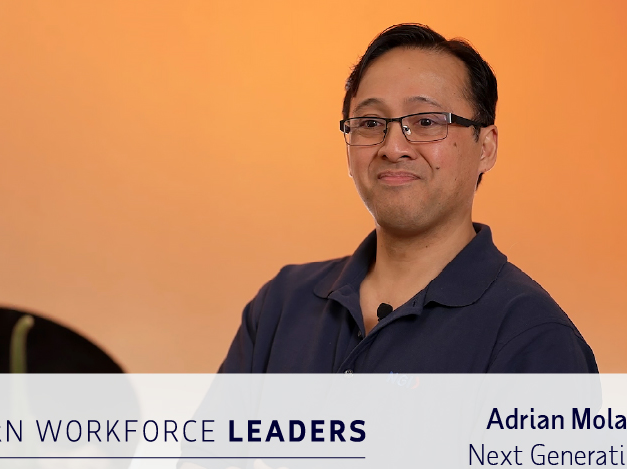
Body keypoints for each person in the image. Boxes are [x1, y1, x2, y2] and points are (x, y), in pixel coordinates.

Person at [218, 23, 597, 374]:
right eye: (370, 123)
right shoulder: (281, 305)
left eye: (426, 121)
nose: (393, 147)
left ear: (486, 146)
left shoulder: (536, 338)